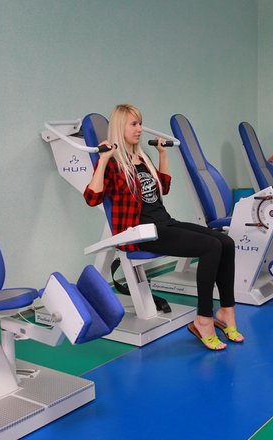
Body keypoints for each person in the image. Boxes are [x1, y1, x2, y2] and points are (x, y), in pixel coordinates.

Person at [83, 104, 244, 350]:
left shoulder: (142, 158)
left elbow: (163, 188)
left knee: (226, 242)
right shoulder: (113, 164)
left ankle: (226, 311)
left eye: (140, 123)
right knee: (211, 247)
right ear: (120, 127)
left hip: (165, 223)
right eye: (133, 124)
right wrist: (103, 159)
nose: (139, 129)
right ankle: (203, 320)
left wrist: (162, 154)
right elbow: (92, 198)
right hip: (142, 231)